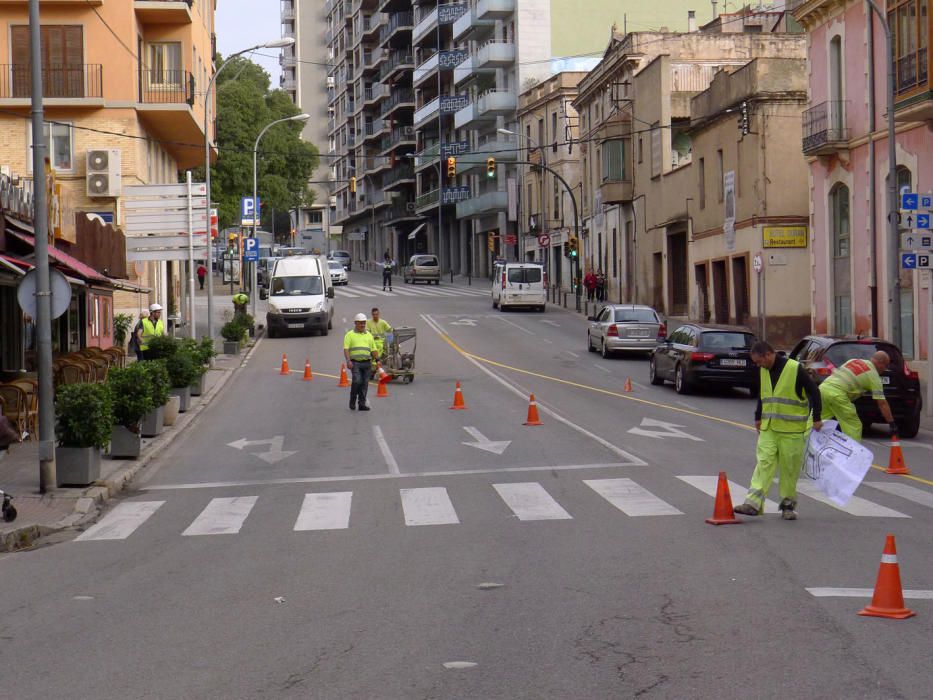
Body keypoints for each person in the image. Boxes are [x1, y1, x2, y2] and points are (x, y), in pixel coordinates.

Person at [733, 341, 823, 521]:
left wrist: (817, 417)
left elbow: (814, 392)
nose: (758, 365)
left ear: (768, 354)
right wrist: (758, 416)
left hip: (792, 430)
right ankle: (753, 504)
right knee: (764, 462)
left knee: (789, 469)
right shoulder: (764, 370)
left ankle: (788, 506)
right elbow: (763, 394)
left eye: (759, 361)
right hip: (769, 427)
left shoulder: (794, 369)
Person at [817, 351, 897, 442]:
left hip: (823, 389)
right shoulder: (874, 377)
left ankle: (804, 442)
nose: (885, 369)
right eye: (885, 366)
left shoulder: (854, 361)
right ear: (880, 363)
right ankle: (853, 452)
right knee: (853, 425)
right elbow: (882, 403)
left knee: (818, 419)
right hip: (837, 395)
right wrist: (891, 423)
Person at [343, 313, 380, 411]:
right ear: (355, 323)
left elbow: (373, 349)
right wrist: (348, 360)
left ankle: (361, 404)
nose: (362, 325)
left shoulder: (369, 335)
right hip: (355, 363)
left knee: (364, 384)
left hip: (367, 363)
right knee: (357, 381)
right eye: (360, 323)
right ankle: (352, 400)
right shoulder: (349, 335)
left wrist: (377, 360)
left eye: (364, 323)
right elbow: (346, 349)